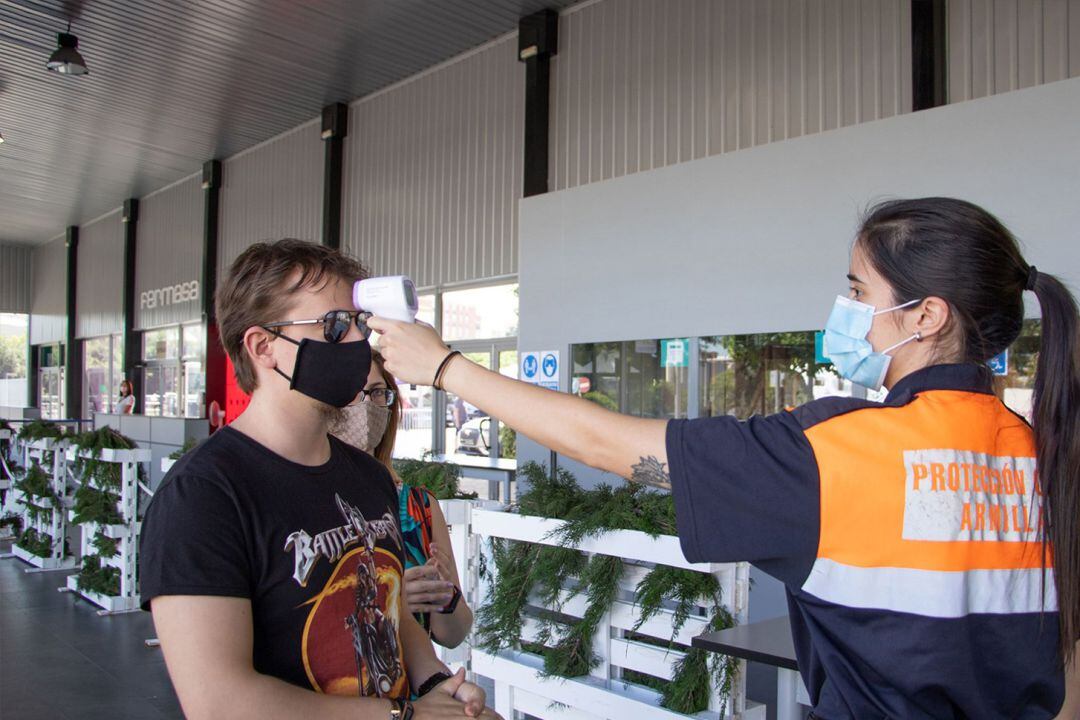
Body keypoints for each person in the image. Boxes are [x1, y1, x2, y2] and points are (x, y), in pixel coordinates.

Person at [371, 198, 1080, 719]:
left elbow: (610, 446)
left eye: (860, 291)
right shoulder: (1048, 459)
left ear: (927, 316)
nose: (848, 309)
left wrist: (443, 367)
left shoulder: (839, 453)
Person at [139, 240, 498, 720]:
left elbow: (388, 606)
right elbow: (219, 702)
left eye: (357, 324)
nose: (356, 343)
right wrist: (402, 716)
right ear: (263, 347)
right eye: (333, 327)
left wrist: (436, 682)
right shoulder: (203, 495)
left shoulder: (370, 478)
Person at [331, 354, 475, 648]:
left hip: (414, 688)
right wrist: (390, 597)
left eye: (377, 392)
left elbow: (454, 635)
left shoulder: (418, 507)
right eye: (351, 393)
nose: (366, 405)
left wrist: (445, 597)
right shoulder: (303, 502)